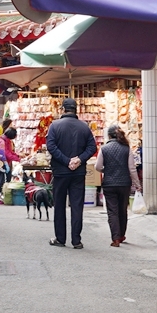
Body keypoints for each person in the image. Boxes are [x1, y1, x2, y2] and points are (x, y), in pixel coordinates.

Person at [45, 98, 97, 248]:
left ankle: (60, 238)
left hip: (61, 171)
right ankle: (76, 240)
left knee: (60, 205)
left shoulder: (55, 126)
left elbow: (51, 146)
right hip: (78, 173)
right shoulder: (84, 127)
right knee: (77, 205)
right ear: (76, 110)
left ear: (62, 109)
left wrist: (66, 161)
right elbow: (92, 147)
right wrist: (79, 160)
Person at [96, 124, 139, 247]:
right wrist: (137, 184)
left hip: (109, 184)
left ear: (109, 135)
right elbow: (132, 168)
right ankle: (121, 235)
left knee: (112, 211)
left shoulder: (104, 149)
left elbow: (98, 167)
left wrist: (107, 170)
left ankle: (115, 238)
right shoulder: (126, 148)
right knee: (122, 210)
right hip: (124, 183)